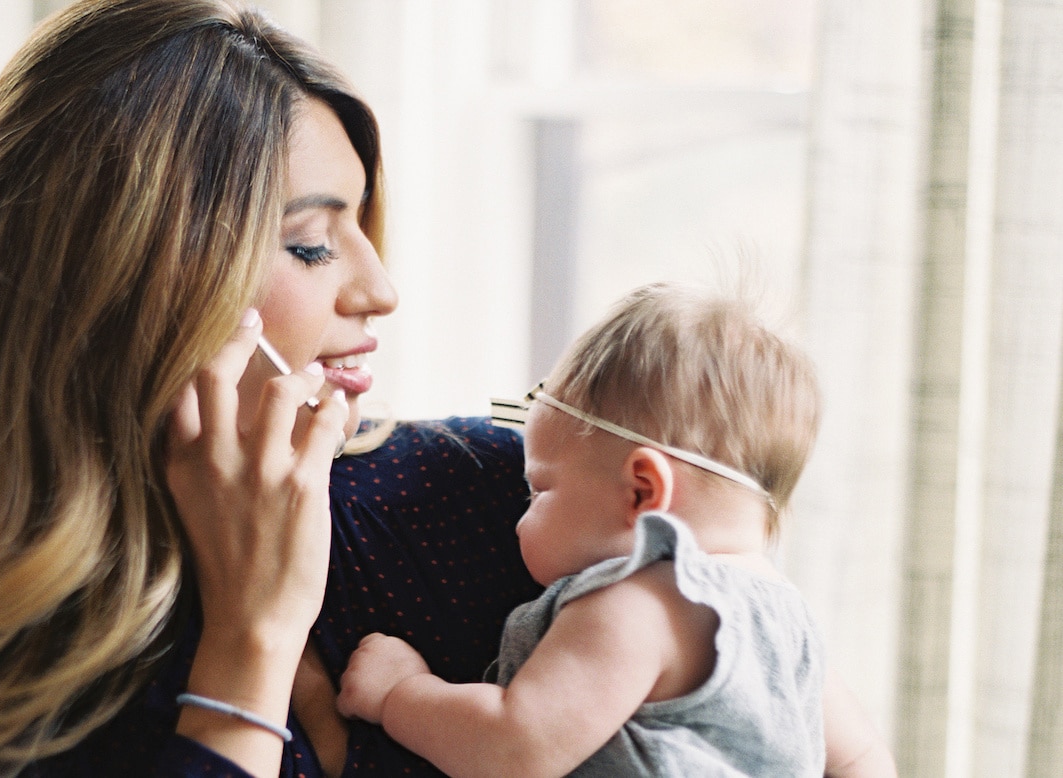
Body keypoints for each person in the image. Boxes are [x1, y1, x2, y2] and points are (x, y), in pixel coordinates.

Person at [0, 2, 540, 776]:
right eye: (310, 246)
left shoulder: (490, 495)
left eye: (362, 224)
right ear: (130, 280)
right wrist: (249, 644)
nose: (379, 288)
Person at [337, 283, 899, 777]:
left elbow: (515, 750)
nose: (519, 511)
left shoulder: (636, 606)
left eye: (540, 490)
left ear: (641, 493)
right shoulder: (789, 621)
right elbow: (861, 759)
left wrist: (399, 695)